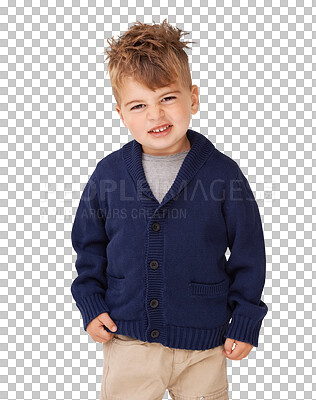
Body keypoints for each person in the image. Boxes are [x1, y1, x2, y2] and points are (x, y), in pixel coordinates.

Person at [71, 19, 268, 400]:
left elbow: (249, 251)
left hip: (205, 345)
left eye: (167, 98)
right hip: (127, 340)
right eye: (138, 105)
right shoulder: (109, 174)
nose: (155, 115)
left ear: (192, 97)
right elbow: (89, 245)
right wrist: (90, 303)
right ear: (121, 114)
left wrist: (245, 319)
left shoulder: (223, 174)